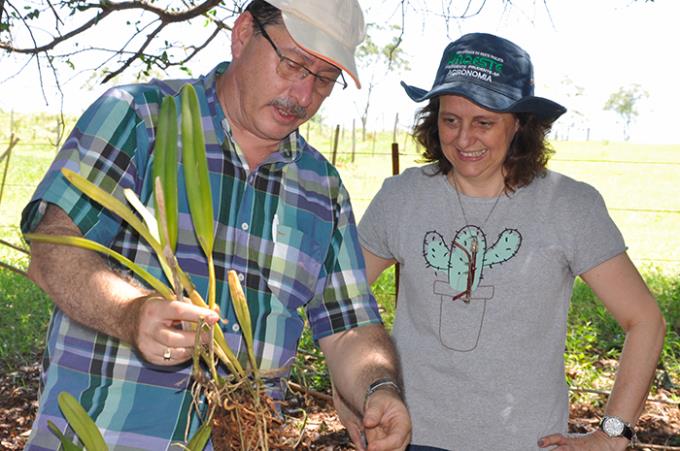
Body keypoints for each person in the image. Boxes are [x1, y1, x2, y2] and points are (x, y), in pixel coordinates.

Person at [21, 1, 411, 449]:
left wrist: (380, 390)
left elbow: (350, 328)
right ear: (244, 33)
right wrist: (130, 314)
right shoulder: (140, 119)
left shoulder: (322, 188)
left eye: (323, 79)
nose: (302, 96)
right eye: (292, 64)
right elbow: (54, 250)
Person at [338, 32, 666, 450]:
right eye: (450, 119)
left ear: (520, 125)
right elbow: (342, 301)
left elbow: (645, 321)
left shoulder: (568, 206)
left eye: (484, 122)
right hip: (410, 438)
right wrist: (350, 388)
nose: (462, 138)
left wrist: (612, 434)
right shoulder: (402, 198)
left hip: (525, 442)